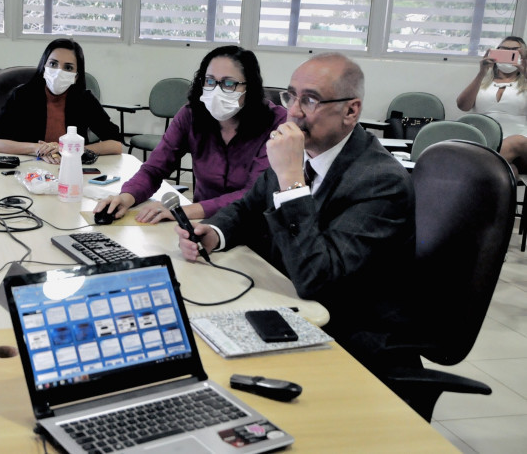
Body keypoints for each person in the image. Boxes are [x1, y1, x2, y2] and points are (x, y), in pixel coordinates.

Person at [176, 52, 416, 376]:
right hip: (289, 309)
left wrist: (291, 181)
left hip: (349, 340)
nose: (293, 111)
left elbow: (317, 278)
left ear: (351, 110)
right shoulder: (299, 152)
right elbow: (248, 207)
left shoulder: (380, 182)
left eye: (311, 100)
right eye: (291, 96)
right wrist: (215, 233)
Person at [94, 46, 287, 223]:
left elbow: (254, 194)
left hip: (255, 230)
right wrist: (126, 198)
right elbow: (154, 169)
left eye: (229, 84)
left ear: (250, 87)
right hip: (201, 226)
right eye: (210, 81)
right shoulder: (191, 115)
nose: (217, 91)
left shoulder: (276, 123)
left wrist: (185, 211)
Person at [0, 39, 123, 164]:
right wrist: (36, 148)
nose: (58, 72)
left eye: (68, 67)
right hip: (30, 168)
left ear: (76, 76)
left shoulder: (84, 99)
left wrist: (70, 149)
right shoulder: (23, 95)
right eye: (53, 64)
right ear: (44, 67)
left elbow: (115, 144)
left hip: (72, 168)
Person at [456, 35, 527, 173]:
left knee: (517, 141)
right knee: (508, 173)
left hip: (522, 145)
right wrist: (482, 72)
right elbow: (463, 105)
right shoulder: (483, 83)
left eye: (514, 50)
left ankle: (471, 169)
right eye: (503, 49)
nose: (508, 53)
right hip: (486, 142)